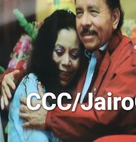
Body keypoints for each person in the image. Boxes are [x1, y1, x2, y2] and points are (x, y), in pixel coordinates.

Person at [19, 0, 136, 138]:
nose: (84, 22)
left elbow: (106, 117)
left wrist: (50, 118)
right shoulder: (83, 54)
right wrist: (16, 76)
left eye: (93, 12)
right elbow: (49, 70)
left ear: (114, 18)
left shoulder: (132, 57)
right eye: (79, 13)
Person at [6, 10, 86, 142]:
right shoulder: (31, 86)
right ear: (46, 51)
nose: (66, 62)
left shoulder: (70, 90)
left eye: (74, 55)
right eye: (59, 52)